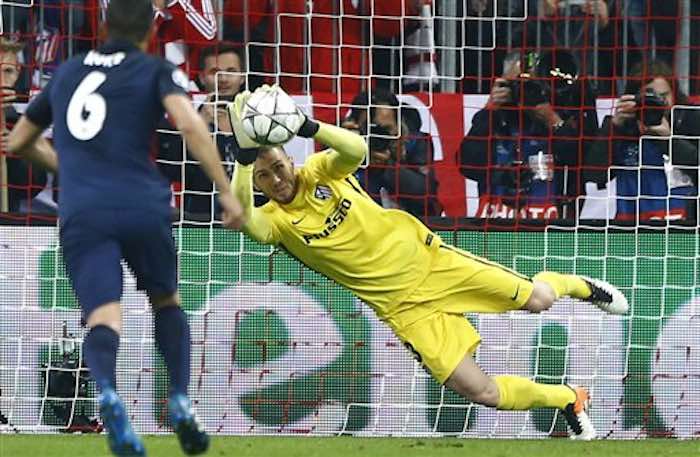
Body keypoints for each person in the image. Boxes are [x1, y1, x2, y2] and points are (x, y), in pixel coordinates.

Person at [227, 85, 630, 440]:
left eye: (279, 168)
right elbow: (242, 215)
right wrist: (245, 163)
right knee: (481, 392)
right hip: (404, 308)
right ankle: (567, 400)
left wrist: (306, 125)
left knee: (539, 299)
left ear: (291, 162)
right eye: (265, 177)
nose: (276, 180)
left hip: (431, 262)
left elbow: (357, 150)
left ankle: (579, 286)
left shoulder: (319, 172)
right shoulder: (276, 224)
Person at [7, 0, 245, 455]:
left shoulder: (69, 72)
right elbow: (191, 126)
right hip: (141, 202)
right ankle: (179, 400)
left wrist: (69, 171)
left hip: (83, 209)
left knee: (103, 314)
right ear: (150, 34)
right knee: (164, 300)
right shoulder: (153, 69)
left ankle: (108, 394)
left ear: (102, 25)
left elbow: (19, 140)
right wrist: (225, 189)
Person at [460, 50, 599, 220]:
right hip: (496, 225)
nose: (528, 92)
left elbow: (587, 167)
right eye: (519, 83)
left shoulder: (565, 122)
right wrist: (490, 108)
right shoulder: (494, 121)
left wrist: (552, 120)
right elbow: (467, 164)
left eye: (534, 85)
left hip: (553, 227)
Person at [586, 60, 699, 222]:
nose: (659, 102)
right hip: (632, 225)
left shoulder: (689, 119)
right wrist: (613, 128)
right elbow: (594, 174)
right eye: (650, 96)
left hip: (681, 224)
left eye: (664, 96)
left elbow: (697, 166)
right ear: (634, 97)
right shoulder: (623, 126)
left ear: (674, 94)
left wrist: (668, 139)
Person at [159, 43, 246, 217]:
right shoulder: (186, 121)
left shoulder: (257, 121)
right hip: (201, 223)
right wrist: (201, 124)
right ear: (202, 77)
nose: (223, 78)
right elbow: (172, 172)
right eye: (215, 72)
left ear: (243, 77)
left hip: (252, 223)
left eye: (231, 70)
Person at [342, 89, 441, 220]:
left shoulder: (415, 142)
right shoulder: (346, 147)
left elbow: (426, 195)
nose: (379, 136)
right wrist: (341, 147)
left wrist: (389, 167)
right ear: (356, 126)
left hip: (406, 226)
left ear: (399, 122)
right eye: (372, 129)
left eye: (386, 130)